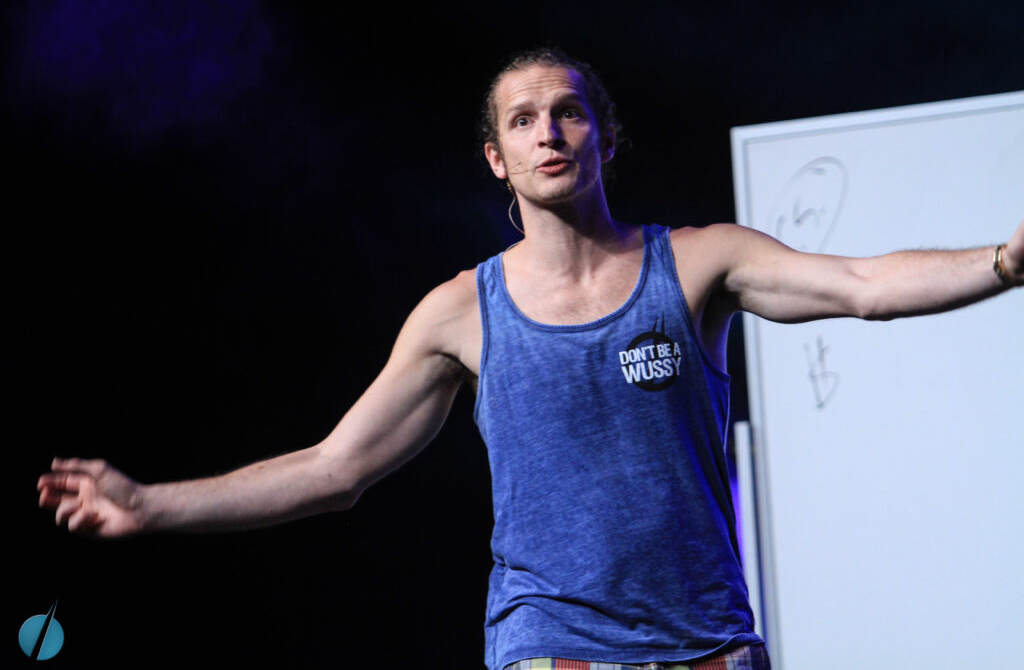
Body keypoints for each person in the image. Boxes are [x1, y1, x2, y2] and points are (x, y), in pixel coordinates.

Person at [38, 48, 1023, 670]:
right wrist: (152, 502)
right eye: (522, 119)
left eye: (568, 111)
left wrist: (1003, 262)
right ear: (496, 159)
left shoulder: (698, 263)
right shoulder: (461, 312)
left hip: (710, 646)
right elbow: (336, 468)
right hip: (551, 649)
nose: (548, 131)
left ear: (604, 137)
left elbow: (861, 284)